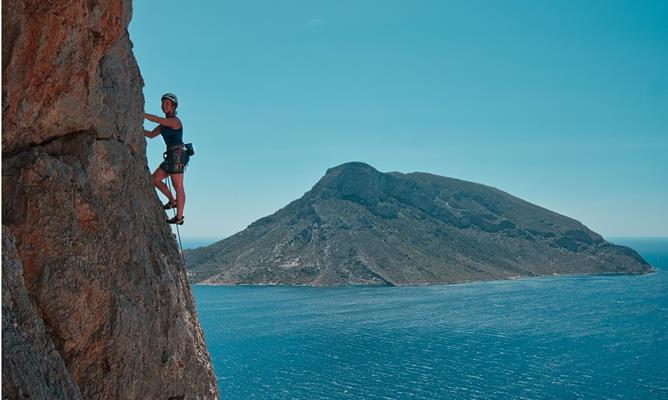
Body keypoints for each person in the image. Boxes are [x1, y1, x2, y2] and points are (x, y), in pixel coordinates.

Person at [144, 93, 189, 225]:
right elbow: (151, 135)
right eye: (163, 103)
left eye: (168, 104)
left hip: (177, 155)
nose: (164, 106)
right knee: (154, 179)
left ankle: (179, 217)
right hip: (171, 156)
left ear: (174, 106)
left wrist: (142, 115)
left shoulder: (175, 121)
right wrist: (138, 129)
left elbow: (158, 119)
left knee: (178, 186)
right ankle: (172, 201)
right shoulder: (164, 125)